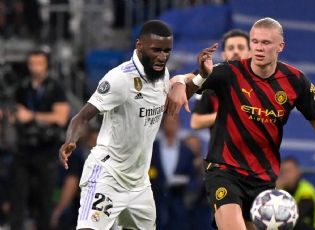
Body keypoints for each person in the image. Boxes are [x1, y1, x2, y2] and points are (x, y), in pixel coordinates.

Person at [167, 17, 315, 230]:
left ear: (280, 46)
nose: (258, 48)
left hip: (263, 179)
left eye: (265, 43)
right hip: (225, 170)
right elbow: (182, 81)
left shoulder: (294, 80)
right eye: (255, 42)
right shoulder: (230, 72)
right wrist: (192, 79)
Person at [58, 20, 185, 229]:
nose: (162, 57)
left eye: (167, 51)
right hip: (108, 174)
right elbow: (80, 117)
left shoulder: (162, 75)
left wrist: (186, 82)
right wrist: (70, 141)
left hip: (139, 184)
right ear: (139, 46)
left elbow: (169, 103)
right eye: (156, 50)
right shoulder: (120, 79)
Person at [11, 50, 70, 230]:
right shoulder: (22, 87)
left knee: (45, 200)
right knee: (18, 199)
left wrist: (32, 116)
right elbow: (15, 112)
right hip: (24, 148)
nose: (35, 68)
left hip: (47, 150)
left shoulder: (55, 88)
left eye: (39, 63)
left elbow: (61, 117)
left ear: (47, 65)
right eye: (32, 63)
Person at [191, 29, 250, 130]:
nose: (236, 51)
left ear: (250, 53)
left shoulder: (261, 84)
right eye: (231, 48)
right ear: (223, 55)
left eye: (241, 47)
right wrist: (228, 113)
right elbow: (195, 122)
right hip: (220, 145)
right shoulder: (210, 84)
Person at [150, 115, 196, 230]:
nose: (171, 125)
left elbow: (193, 176)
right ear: (163, 125)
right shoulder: (153, 149)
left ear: (179, 126)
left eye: (174, 123)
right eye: (168, 122)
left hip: (179, 201)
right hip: (156, 201)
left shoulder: (187, 151)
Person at [276, 157, 315, 230]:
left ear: (298, 172)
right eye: (282, 172)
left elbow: (297, 214)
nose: (285, 175)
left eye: (288, 171)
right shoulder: (282, 190)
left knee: (291, 221)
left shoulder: (306, 190)